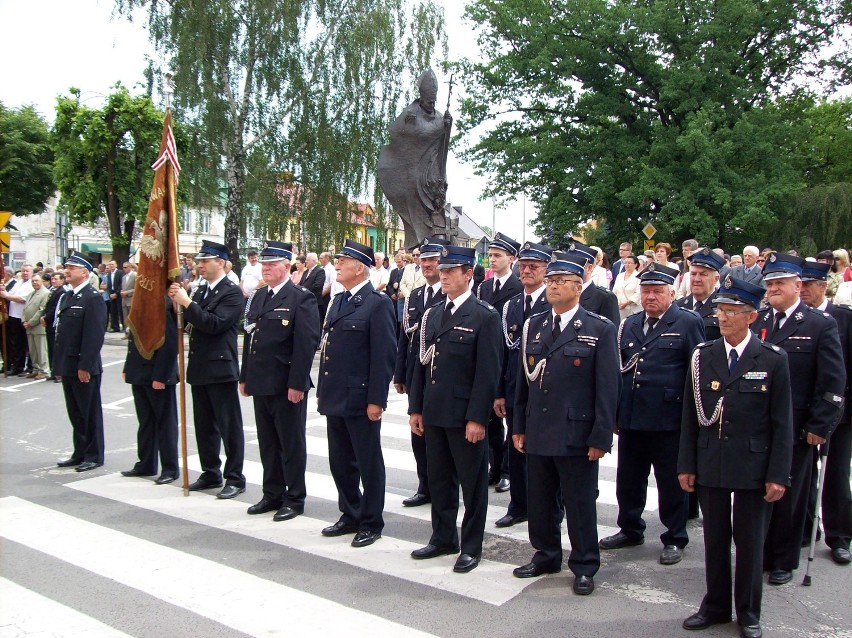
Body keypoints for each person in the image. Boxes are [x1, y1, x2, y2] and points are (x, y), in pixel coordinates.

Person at [678, 275, 793, 638]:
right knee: (713, 539)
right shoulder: (704, 356)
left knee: (749, 542)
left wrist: (779, 474)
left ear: (751, 316)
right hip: (712, 460)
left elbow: (782, 422)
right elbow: (690, 417)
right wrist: (686, 464)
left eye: (731, 312)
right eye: (720, 311)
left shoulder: (772, 360)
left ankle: (748, 613)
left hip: (752, 464)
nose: (723, 318)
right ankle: (715, 605)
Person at [512, 252, 620, 595]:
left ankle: (585, 564)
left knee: (579, 502)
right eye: (551, 281)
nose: (553, 287)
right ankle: (545, 553)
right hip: (539, 429)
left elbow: (607, 388)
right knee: (540, 499)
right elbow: (522, 382)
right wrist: (519, 425)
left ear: (578, 286)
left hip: (576, 432)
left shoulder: (598, 328)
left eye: (561, 282)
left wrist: (601, 437)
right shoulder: (536, 324)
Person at [600, 263, 705, 565]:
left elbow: (695, 372)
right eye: (646, 291)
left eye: (657, 291)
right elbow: (619, 370)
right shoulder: (629, 324)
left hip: (668, 418)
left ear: (672, 293)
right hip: (633, 417)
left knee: (671, 483)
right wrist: (617, 412)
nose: (650, 297)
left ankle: (674, 536)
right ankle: (630, 528)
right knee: (629, 479)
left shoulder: (687, 322)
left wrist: (692, 419)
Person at [751, 253, 845, 585]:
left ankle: (782, 559)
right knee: (758, 494)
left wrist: (820, 426)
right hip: (758, 426)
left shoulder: (820, 324)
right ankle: (758, 553)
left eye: (781, 283)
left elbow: (832, 382)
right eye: (770, 283)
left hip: (797, 428)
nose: (774, 288)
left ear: (798, 285)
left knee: (789, 496)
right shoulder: (758, 320)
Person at [408, 245, 502, 573]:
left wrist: (478, 417)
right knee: (439, 479)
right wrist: (416, 409)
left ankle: (471, 545)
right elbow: (420, 364)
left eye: (451, 271)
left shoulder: (484, 316)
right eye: (441, 270)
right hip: (434, 412)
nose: (443, 275)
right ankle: (443, 536)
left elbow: (487, 374)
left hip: (464, 417)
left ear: (469, 275)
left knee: (472, 484)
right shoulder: (433, 314)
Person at [317, 239, 396, 548]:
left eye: (343, 260)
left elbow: (383, 356)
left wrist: (377, 399)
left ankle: (371, 520)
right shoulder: (338, 300)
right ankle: (349, 513)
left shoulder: (378, 304)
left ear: (360, 267)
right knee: (340, 461)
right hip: (335, 395)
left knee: (367, 461)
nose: (337, 263)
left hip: (360, 398)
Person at [240, 241, 320, 521]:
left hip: (286, 383)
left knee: (291, 443)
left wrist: (297, 384)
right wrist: (244, 375)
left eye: (272, 264)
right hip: (261, 381)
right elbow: (251, 338)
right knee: (268, 442)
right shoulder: (258, 297)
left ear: (287, 266)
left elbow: (305, 344)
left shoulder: (301, 297)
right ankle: (271, 493)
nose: (266, 268)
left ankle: (294, 497)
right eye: (263, 264)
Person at [168, 240, 247, 500]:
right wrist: (177, 304)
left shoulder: (232, 292)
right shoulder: (201, 291)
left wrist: (187, 303)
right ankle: (210, 470)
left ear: (220, 263)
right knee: (204, 425)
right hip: (200, 366)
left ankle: (235, 476)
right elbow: (188, 322)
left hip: (220, 367)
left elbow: (214, 324)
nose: (199, 265)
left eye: (205, 261)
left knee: (228, 426)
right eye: (199, 261)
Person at [494, 241, 554, 528]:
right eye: (524, 266)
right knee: (515, 448)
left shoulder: (552, 303)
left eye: (534, 267)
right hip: (515, 388)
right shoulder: (513, 305)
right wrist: (499, 392)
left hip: (545, 390)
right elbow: (505, 352)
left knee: (545, 453)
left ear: (546, 270)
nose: (527, 271)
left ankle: (550, 507)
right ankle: (518, 505)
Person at [799, 260, 852, 565]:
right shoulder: (798, 320)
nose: (803, 290)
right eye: (800, 285)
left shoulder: (843, 318)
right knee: (803, 475)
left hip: (838, 414)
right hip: (805, 411)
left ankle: (840, 535)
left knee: (836, 475)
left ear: (823, 286)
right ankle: (806, 529)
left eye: (809, 285)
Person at [393, 237, 449, 507]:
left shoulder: (450, 294)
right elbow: (405, 336)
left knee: (443, 433)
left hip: (442, 375)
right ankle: (425, 485)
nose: (427, 264)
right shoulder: (415, 295)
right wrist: (400, 374)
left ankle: (446, 486)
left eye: (433, 259)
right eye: (424, 259)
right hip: (417, 372)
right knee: (418, 430)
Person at [53, 255, 107, 472]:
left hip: (83, 366)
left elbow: (94, 336)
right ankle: (80, 451)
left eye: (71, 268)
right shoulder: (68, 297)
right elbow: (62, 334)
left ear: (84, 272)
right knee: (75, 412)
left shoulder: (93, 298)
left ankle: (94, 455)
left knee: (89, 412)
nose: (67, 271)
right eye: (66, 267)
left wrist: (85, 365)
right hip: (68, 365)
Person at [477, 233, 522, 492]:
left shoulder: (517, 286)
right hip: (489, 355)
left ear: (511, 258)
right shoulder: (485, 286)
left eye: (498, 256)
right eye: (490, 255)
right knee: (491, 419)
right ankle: (494, 467)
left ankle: (506, 469)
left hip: (509, 353)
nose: (492, 260)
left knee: (510, 419)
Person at [120, 302, 179, 484]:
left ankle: (170, 468)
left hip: (156, 373)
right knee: (145, 421)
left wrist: (161, 376)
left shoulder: (161, 303)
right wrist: (128, 367)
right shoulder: (142, 302)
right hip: (139, 371)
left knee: (165, 423)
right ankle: (146, 463)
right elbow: (134, 338)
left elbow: (169, 343)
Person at [676, 248, 726, 342]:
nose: (697, 279)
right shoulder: (678, 306)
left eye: (703, 274)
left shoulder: (724, 307)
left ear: (716, 279)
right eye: (693, 274)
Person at [566, 239, 620, 325]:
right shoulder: (562, 293)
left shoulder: (605, 298)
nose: (571, 269)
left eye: (577, 264)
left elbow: (611, 334)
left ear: (590, 268)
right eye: (569, 264)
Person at [1, 263, 33, 375]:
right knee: (16, 342)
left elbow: (22, 299)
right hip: (14, 315)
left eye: (27, 271)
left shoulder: (30, 284)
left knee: (25, 343)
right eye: (23, 271)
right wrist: (3, 290)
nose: (25, 273)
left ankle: (28, 366)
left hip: (23, 316)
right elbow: (10, 293)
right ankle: (17, 366)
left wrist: (6, 295)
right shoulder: (19, 283)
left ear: (31, 272)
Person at [21, 273, 51, 380]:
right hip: (29, 326)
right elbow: (25, 309)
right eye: (33, 281)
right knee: (33, 350)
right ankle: (36, 369)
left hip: (38, 326)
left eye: (37, 280)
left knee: (41, 350)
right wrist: (24, 320)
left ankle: (44, 370)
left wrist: (31, 322)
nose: (35, 283)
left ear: (42, 281)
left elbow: (41, 310)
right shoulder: (30, 294)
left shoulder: (45, 293)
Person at [43, 271, 68, 382]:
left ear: (62, 280)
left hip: (55, 323)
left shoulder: (62, 292)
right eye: (52, 279)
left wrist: (46, 317)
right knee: (51, 348)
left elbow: (56, 309)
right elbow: (47, 306)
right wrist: (43, 316)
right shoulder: (54, 291)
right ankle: (54, 371)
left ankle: (59, 373)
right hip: (49, 323)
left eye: (56, 279)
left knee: (57, 349)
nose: (53, 281)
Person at [301, 252, 326, 331]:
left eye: (307, 260)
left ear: (314, 261)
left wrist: (304, 291)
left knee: (316, 324)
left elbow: (317, 286)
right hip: (304, 302)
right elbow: (301, 284)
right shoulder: (305, 272)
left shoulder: (320, 271)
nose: (305, 262)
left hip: (315, 301)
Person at [613, 254, 641, 320]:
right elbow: (614, 290)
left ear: (636, 264)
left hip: (632, 309)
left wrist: (626, 303)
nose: (627, 265)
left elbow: (638, 293)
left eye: (629, 263)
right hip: (619, 308)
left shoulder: (639, 276)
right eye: (626, 263)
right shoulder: (620, 276)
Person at [105, 260, 124, 332]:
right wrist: (110, 293)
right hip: (111, 293)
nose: (111, 266)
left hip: (118, 293)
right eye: (110, 264)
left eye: (112, 264)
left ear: (116, 265)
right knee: (113, 311)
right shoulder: (109, 274)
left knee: (120, 310)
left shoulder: (120, 273)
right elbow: (109, 285)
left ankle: (123, 326)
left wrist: (116, 293)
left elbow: (121, 284)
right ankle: (115, 327)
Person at [120, 262, 136, 337]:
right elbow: (123, 288)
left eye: (125, 267)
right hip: (124, 300)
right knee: (125, 317)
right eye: (123, 267)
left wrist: (127, 292)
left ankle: (133, 333)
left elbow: (137, 289)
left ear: (130, 267)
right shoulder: (124, 277)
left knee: (132, 318)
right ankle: (126, 333)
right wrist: (122, 292)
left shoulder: (135, 275)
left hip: (131, 299)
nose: (124, 269)